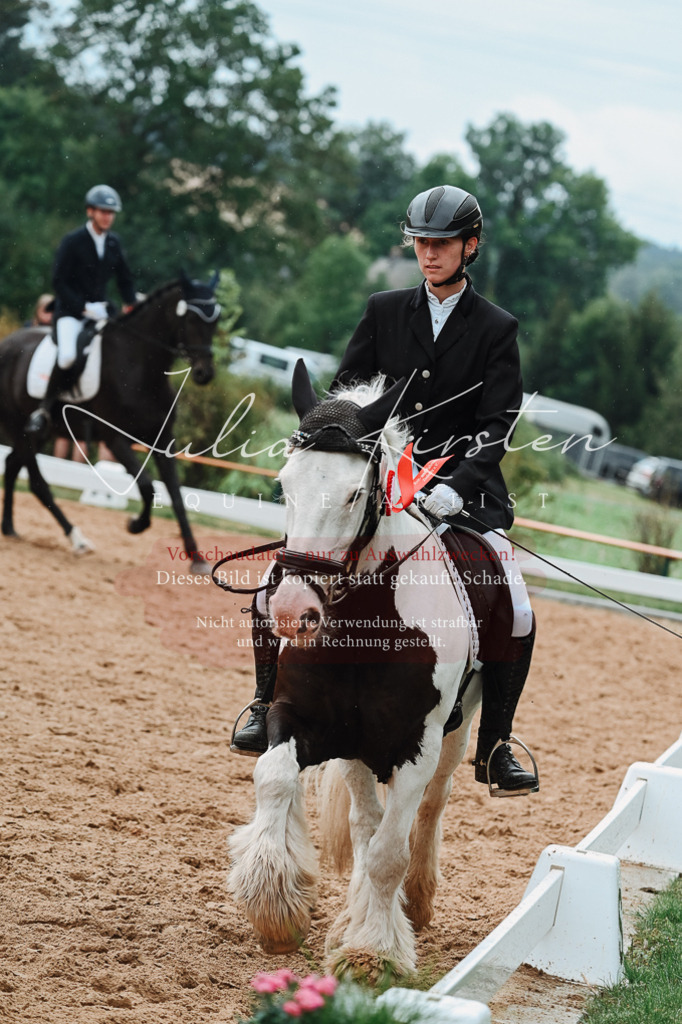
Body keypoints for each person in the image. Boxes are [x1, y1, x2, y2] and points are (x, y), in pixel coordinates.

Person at [232, 185, 538, 797]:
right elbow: (350, 392)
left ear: (469, 247)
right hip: (373, 478)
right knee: (281, 579)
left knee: (516, 599)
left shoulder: (496, 329)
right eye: (421, 243)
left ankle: (497, 742)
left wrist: (458, 482)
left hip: (460, 491)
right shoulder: (384, 308)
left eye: (442, 244)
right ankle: (264, 702)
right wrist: (338, 447)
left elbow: (497, 421)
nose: (429, 253)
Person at [25, 184, 137, 440]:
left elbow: (125, 278)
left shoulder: (113, 243)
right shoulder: (73, 241)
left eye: (111, 212)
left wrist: (130, 302)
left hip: (101, 312)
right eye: (103, 211)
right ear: (90, 211)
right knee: (66, 356)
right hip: (71, 313)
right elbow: (59, 281)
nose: (108, 216)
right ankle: (43, 410)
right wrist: (83, 307)